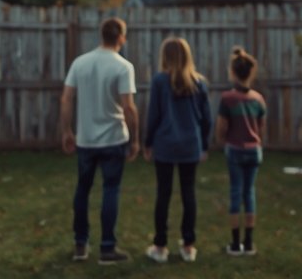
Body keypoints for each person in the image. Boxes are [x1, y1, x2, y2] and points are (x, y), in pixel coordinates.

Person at [60, 16, 139, 264]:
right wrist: (135, 139)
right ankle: (107, 248)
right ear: (121, 38)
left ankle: (80, 245)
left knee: (82, 190)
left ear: (101, 35)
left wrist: (67, 131)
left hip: (85, 140)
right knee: (110, 190)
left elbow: (66, 98)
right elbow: (129, 107)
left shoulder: (80, 63)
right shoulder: (123, 66)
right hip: (114, 139)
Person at [143, 36, 212, 264]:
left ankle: (160, 246)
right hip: (190, 145)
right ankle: (188, 246)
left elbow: (153, 115)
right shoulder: (199, 83)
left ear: (165, 57)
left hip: (164, 145)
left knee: (163, 194)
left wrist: (148, 142)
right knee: (188, 193)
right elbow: (206, 120)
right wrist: (204, 145)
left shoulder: (159, 81)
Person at [215, 45, 266, 256]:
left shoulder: (227, 99)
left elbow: (221, 127)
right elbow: (261, 128)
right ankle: (249, 242)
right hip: (254, 151)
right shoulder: (258, 99)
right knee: (249, 193)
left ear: (233, 72)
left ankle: (235, 244)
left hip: (234, 151)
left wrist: (222, 141)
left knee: (236, 192)